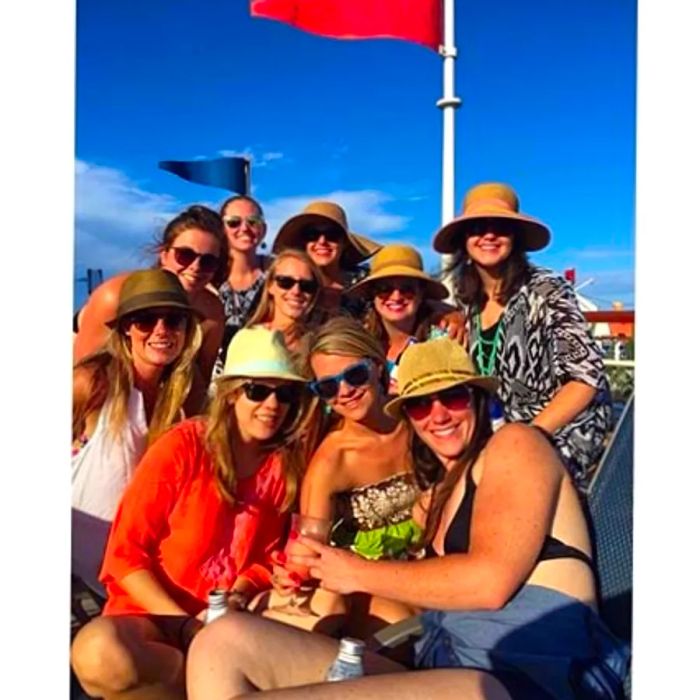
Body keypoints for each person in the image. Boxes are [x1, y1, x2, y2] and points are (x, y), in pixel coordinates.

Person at [186, 337, 630, 700]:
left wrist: (357, 572)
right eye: (420, 404)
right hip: (446, 665)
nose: (437, 414)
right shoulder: (437, 494)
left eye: (452, 396)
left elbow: (489, 583)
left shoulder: (516, 445)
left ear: (477, 397)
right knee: (221, 642)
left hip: (525, 681)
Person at [70, 327, 315, 700]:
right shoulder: (184, 446)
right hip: (156, 616)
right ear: (232, 394)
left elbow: (267, 558)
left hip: (233, 616)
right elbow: (125, 557)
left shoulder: (283, 466)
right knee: (97, 653)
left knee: (326, 610)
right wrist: (186, 628)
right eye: (257, 390)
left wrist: (239, 592)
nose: (272, 404)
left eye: (285, 393)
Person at [434, 182, 612, 486]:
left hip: (559, 429)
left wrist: (526, 439)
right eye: (477, 226)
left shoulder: (545, 290)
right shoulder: (468, 301)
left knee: (502, 489)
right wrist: (444, 312)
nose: (489, 234)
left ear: (514, 237)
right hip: (496, 432)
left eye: (500, 226)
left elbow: (585, 379)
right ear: (465, 239)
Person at [259, 317, 421, 637]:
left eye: (355, 375)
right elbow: (310, 546)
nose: (344, 391)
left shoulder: (416, 420)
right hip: (366, 579)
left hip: (428, 563)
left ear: (377, 366)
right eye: (329, 386)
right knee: (408, 631)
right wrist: (293, 571)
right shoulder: (332, 461)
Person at [72, 269, 202, 594]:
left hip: (121, 579)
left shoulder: (178, 403)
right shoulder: (95, 382)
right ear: (127, 328)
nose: (161, 330)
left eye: (173, 320)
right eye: (146, 319)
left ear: (187, 331)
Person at [74, 204, 228, 414]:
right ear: (164, 254)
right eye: (185, 255)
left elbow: (196, 389)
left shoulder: (211, 312)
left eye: (208, 261)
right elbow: (81, 377)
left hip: (157, 397)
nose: (196, 266)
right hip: (100, 399)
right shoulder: (114, 297)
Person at [345, 243, 451, 393]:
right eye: (384, 289)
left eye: (407, 289)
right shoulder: (357, 343)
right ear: (372, 295)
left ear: (421, 294)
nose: (396, 297)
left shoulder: (444, 342)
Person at [272, 200, 382, 316]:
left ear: (344, 243)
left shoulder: (366, 284)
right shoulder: (287, 284)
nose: (322, 241)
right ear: (304, 243)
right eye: (312, 234)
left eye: (332, 235)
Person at [216, 194, 271, 370]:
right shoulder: (206, 272)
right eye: (234, 222)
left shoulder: (279, 275)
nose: (244, 228)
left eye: (253, 221)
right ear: (221, 229)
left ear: (263, 230)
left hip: (264, 374)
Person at [245, 248, 323, 353]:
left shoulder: (320, 346)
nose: (296, 291)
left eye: (306, 285)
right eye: (285, 282)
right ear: (270, 286)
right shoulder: (247, 338)